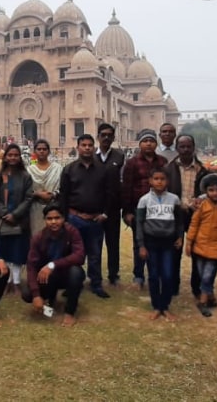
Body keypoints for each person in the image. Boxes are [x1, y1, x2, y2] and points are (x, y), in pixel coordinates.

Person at [59, 134, 115, 299]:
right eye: (83, 145)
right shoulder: (69, 169)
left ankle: (96, 284)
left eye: (90, 145)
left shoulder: (103, 170)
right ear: (78, 147)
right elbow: (63, 195)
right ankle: (72, 284)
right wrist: (64, 218)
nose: (87, 148)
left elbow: (109, 194)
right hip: (74, 218)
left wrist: (105, 213)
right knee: (73, 254)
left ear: (94, 147)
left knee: (95, 253)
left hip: (95, 219)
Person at [21, 205, 86, 327]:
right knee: (26, 293)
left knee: (76, 272)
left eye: (57, 218)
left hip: (66, 274)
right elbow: (31, 267)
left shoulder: (72, 232)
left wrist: (52, 265)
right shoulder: (38, 237)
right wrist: (36, 295)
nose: (54, 222)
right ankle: (49, 301)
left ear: (63, 219)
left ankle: (69, 312)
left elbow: (80, 256)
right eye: (49, 219)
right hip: (48, 277)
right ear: (45, 220)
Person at [122, 129, 169, 289]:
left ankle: (156, 275)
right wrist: (127, 211)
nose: (148, 143)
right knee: (139, 243)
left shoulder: (162, 162)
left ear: (156, 143)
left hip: (160, 209)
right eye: (145, 141)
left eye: (151, 140)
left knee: (158, 242)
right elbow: (127, 187)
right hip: (138, 209)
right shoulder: (132, 163)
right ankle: (139, 276)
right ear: (140, 144)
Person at [134, 168, 182, 322]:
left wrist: (180, 237)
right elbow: (139, 224)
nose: (159, 182)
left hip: (168, 243)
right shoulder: (144, 200)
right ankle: (156, 307)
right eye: (156, 179)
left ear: (167, 181)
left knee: (167, 275)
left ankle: (165, 306)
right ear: (150, 181)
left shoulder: (174, 199)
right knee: (153, 276)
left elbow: (180, 222)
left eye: (162, 179)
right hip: (150, 242)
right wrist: (141, 245)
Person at [165, 134, 209, 299]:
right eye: (181, 146)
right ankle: (173, 285)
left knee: (197, 252)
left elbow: (207, 192)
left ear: (193, 148)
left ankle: (196, 287)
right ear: (177, 148)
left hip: (196, 215)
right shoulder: (169, 169)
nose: (185, 149)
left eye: (188, 146)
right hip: (175, 215)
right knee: (174, 252)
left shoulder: (202, 170)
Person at [0, 144, 34, 295]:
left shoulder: (25, 176)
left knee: (18, 252)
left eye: (16, 155)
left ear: (20, 157)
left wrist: (15, 215)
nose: (13, 158)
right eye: (10, 155)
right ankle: (5, 281)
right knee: (4, 251)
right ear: (5, 156)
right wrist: (4, 213)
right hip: (2, 221)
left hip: (19, 220)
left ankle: (16, 282)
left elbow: (28, 198)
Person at [185, 174, 217, 318]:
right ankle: (210, 295)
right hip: (199, 246)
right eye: (211, 190)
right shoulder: (202, 205)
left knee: (208, 276)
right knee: (202, 274)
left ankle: (202, 302)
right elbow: (194, 224)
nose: (215, 193)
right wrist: (189, 242)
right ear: (206, 191)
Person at [94, 123, 126, 287]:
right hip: (95, 209)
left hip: (113, 209)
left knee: (113, 243)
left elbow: (122, 183)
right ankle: (95, 276)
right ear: (98, 137)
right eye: (103, 135)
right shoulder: (91, 156)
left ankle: (113, 274)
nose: (106, 138)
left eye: (109, 135)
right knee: (95, 245)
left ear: (113, 138)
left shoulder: (119, 157)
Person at [26, 139, 63, 236]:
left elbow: (63, 188)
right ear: (34, 152)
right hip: (35, 210)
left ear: (49, 151)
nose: (42, 151)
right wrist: (38, 194)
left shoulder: (57, 168)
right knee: (37, 238)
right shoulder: (29, 170)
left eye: (44, 149)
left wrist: (53, 195)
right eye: (39, 149)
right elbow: (26, 191)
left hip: (54, 207)